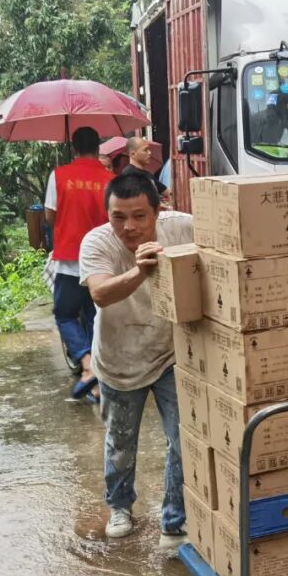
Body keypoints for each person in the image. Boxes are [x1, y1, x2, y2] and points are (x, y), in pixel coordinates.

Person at [79, 170, 192, 544]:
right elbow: (100, 294)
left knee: (183, 438)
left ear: (158, 211)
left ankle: (174, 522)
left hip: (170, 353)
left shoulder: (181, 228)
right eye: (118, 216)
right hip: (118, 359)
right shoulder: (96, 244)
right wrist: (141, 272)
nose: (129, 226)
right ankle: (119, 505)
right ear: (107, 214)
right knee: (121, 442)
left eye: (139, 216)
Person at [45, 126, 115, 402]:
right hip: (101, 260)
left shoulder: (59, 176)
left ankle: (87, 364)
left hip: (70, 259)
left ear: (73, 148)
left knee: (64, 314)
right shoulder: (110, 179)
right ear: (98, 148)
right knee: (95, 316)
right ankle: (97, 380)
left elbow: (50, 216)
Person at [124, 136, 172, 207]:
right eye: (145, 150)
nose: (149, 153)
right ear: (133, 154)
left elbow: (168, 192)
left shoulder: (147, 174)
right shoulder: (129, 174)